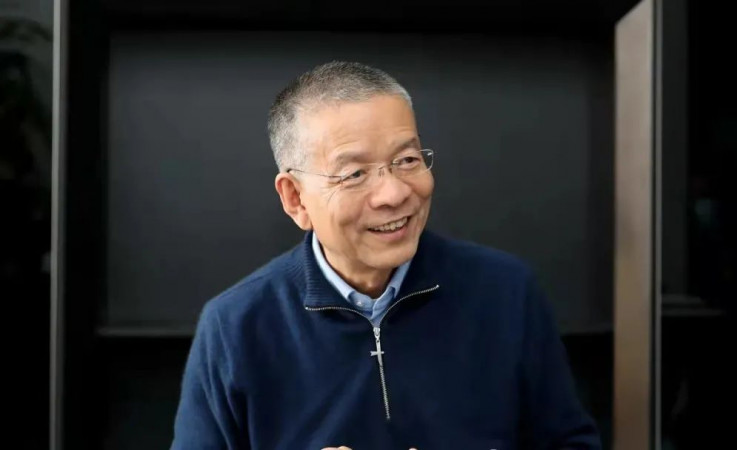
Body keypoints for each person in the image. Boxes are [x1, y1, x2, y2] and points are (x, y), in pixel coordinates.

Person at [171, 61, 600, 450]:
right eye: (355, 173)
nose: (394, 193)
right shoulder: (234, 325)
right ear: (295, 198)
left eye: (407, 159)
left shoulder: (506, 292)